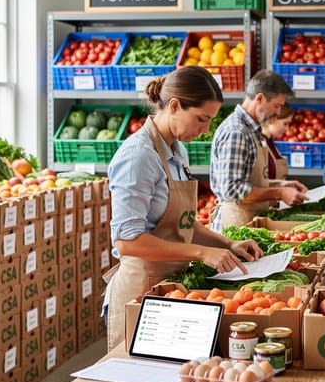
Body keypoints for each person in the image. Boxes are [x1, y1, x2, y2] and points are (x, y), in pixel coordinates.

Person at [104, 65, 263, 349]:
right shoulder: (139, 156)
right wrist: (201, 252)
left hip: (172, 288)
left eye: (211, 121)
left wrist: (229, 243)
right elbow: (128, 241)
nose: (205, 130)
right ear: (175, 106)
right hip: (140, 291)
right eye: (202, 119)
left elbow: (183, 223)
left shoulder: (178, 150)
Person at [210, 70, 307, 231]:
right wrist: (279, 192)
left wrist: (281, 184)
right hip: (235, 226)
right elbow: (233, 190)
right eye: (276, 106)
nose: (277, 112)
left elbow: (247, 180)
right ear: (260, 98)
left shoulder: (251, 130)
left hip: (248, 223)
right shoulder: (237, 132)